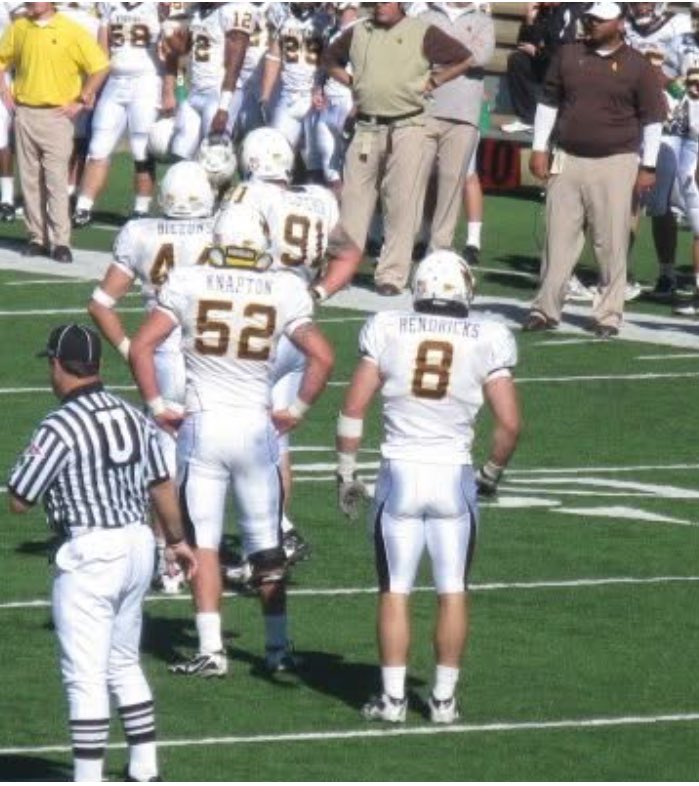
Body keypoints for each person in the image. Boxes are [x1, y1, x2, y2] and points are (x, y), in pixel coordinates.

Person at [129, 203, 334, 677]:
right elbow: (322, 356)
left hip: (203, 425)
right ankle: (278, 650)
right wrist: (297, 411)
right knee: (266, 547)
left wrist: (159, 407)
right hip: (255, 426)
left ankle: (212, 650)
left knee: (203, 543)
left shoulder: (189, 280)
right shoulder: (284, 287)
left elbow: (142, 346)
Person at [335, 250, 520, 723]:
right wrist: (490, 476)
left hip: (400, 472)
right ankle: (442, 701)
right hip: (453, 475)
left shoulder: (388, 327)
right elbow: (510, 426)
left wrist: (347, 470)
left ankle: (394, 701)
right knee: (452, 590)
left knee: (395, 589)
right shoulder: (489, 335)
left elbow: (353, 408)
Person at [7, 323, 197, 783]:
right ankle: (144, 768)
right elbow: (161, 485)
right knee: (123, 662)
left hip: (91, 549)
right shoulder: (132, 414)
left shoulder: (59, 425)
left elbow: (19, 499)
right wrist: (177, 540)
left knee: (85, 675)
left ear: (58, 365)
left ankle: (87, 777)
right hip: (136, 543)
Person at [88, 160, 215, 593]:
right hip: (212, 357)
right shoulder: (223, 231)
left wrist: (129, 351)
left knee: (163, 465)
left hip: (160, 356)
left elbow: (101, 303)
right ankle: (260, 545)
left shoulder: (141, 233)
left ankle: (167, 558)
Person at [523, 1, 666, 340]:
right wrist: (539, 146)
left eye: (599, 21)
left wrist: (648, 164)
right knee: (557, 237)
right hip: (567, 155)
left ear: (618, 23)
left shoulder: (637, 65)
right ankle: (545, 309)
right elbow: (548, 101)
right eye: (589, 19)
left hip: (616, 160)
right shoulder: (569, 54)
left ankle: (608, 314)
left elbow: (653, 118)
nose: (591, 25)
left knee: (611, 240)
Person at [322, 1, 473, 296]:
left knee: (401, 202)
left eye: (385, 1)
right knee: (354, 200)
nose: (378, 5)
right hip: (366, 126)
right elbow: (329, 60)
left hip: (408, 125)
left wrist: (434, 81)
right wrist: (353, 83)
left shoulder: (421, 31)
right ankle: (342, 269)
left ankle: (391, 274)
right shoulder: (359, 31)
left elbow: (464, 58)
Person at [0, 2, 109, 263]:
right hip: (25, 111)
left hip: (57, 115)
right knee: (29, 179)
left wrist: (82, 99)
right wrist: (5, 92)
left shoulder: (71, 29)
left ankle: (61, 241)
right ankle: (36, 237)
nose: (29, 2)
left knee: (56, 180)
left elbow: (101, 66)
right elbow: (2, 60)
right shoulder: (19, 28)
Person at [72, 2, 177, 227]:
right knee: (98, 146)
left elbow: (172, 51)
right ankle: (83, 206)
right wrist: (93, 87)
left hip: (146, 80)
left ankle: (141, 208)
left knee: (141, 149)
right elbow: (102, 51)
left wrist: (169, 90)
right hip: (114, 80)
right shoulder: (110, 4)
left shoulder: (158, 5)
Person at [415, 2, 494, 253]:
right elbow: (417, 54)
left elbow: (481, 57)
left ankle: (439, 248)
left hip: (463, 112)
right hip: (425, 108)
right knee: (417, 178)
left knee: (454, 181)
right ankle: (413, 238)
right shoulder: (425, 15)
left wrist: (439, 59)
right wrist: (462, 57)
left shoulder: (483, 20)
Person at [168, 2, 254, 161]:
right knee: (180, 154)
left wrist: (223, 107)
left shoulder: (234, 10)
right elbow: (182, 49)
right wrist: (166, 26)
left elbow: (234, 64)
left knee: (214, 159)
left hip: (217, 93)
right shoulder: (197, 10)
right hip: (194, 91)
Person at [503, 3, 586, 134]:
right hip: (546, 61)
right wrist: (529, 20)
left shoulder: (571, 10)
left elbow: (565, 50)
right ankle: (528, 119)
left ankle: (558, 122)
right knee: (518, 60)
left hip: (569, 67)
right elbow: (524, 44)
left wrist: (538, 53)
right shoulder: (544, 10)